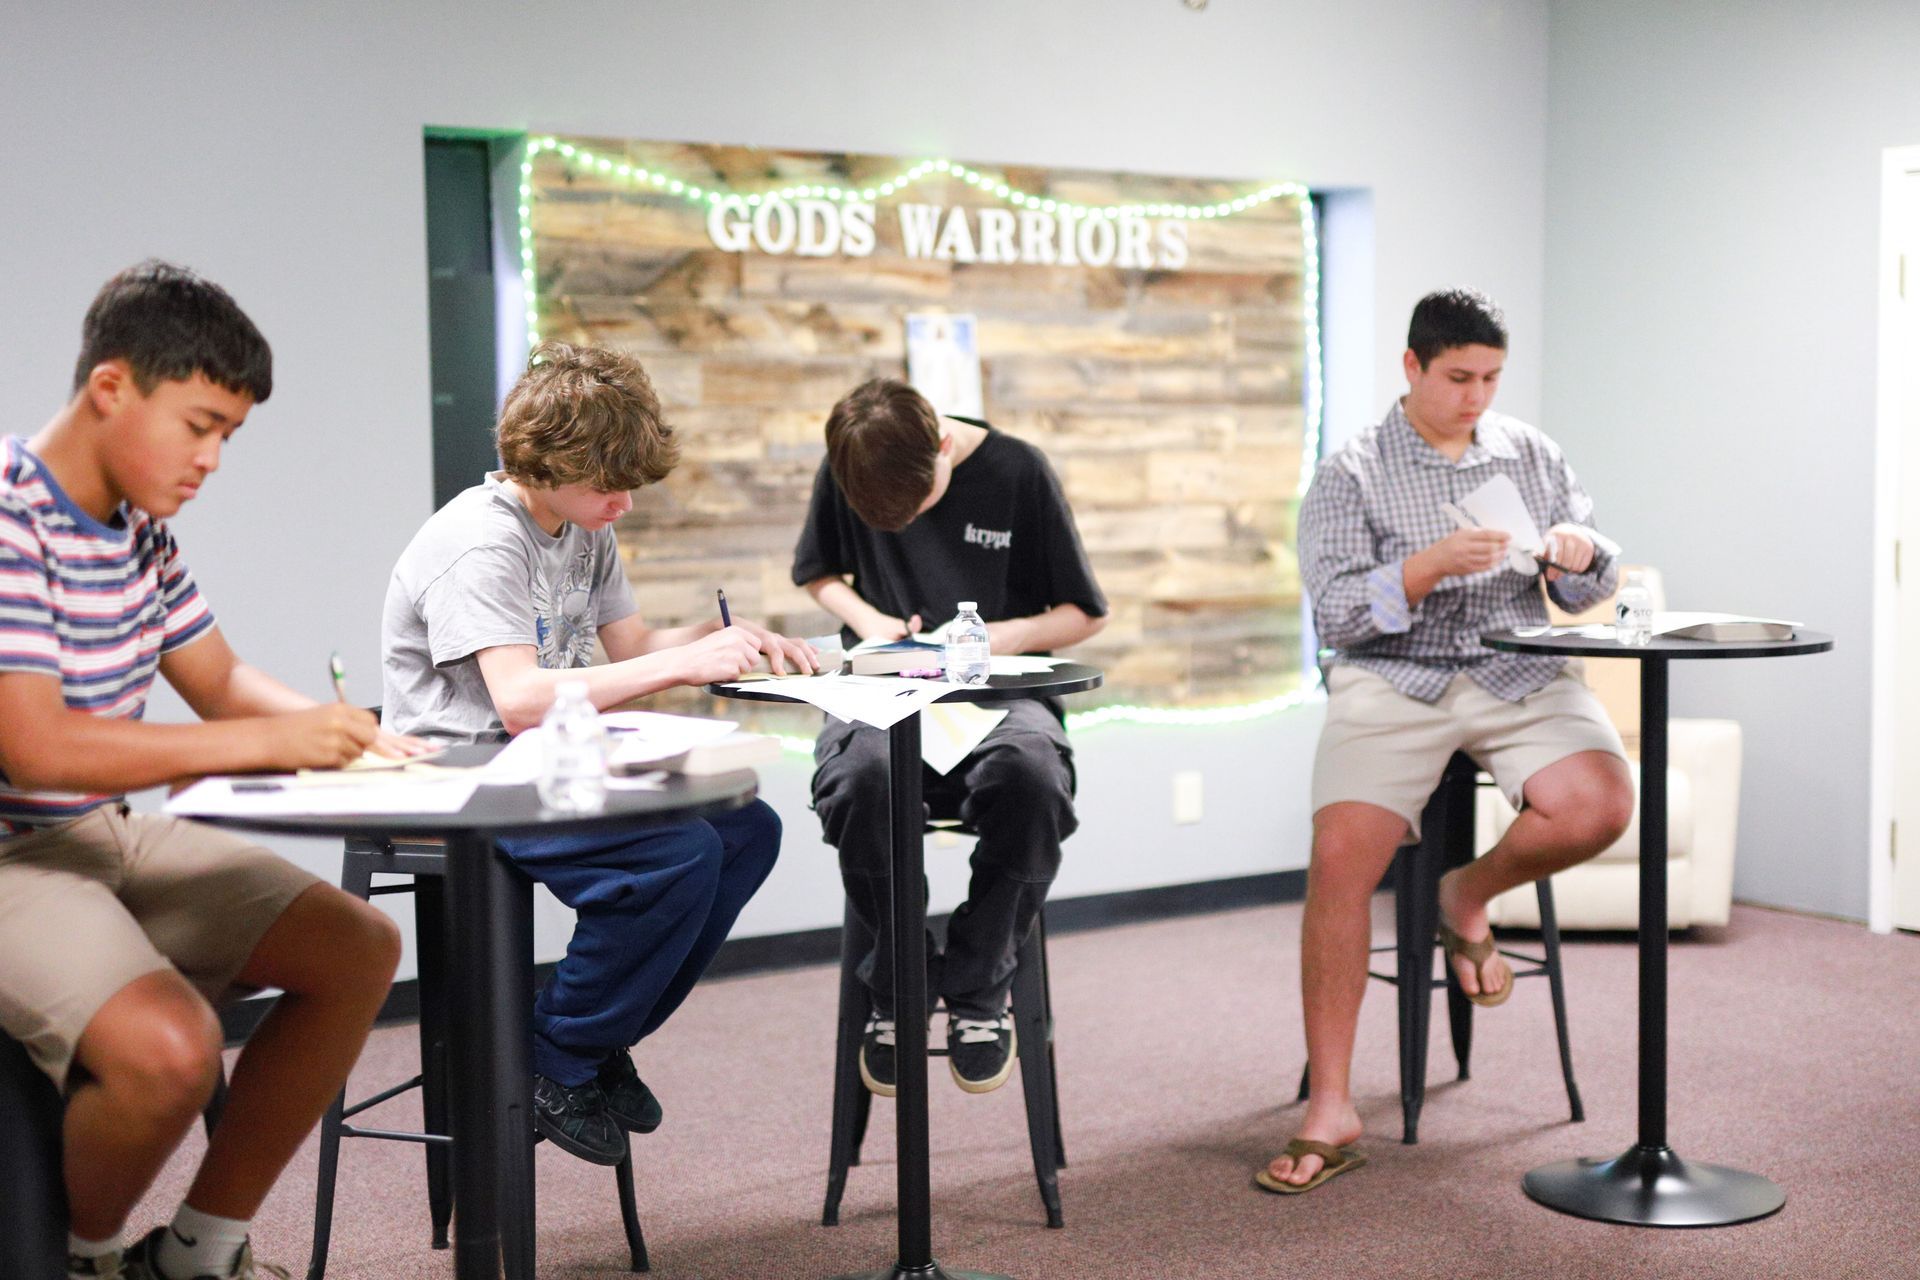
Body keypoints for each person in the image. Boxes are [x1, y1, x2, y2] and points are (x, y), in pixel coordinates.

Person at [0, 261, 415, 1280]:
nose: (212, 460)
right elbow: (37, 747)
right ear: (112, 387)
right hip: (12, 855)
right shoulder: (9, 514)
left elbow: (221, 680)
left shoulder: (140, 532)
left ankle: (197, 1251)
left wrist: (350, 732)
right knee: (171, 1049)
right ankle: (85, 1261)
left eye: (229, 435)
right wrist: (270, 742)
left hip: (98, 832)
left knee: (357, 946)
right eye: (200, 426)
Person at [381, 341, 814, 1165]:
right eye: (607, 485)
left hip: (545, 766)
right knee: (678, 854)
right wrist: (681, 665)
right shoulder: (480, 542)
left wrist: (723, 637)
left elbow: (633, 647)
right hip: (464, 778)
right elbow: (518, 699)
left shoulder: (584, 525)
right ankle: (556, 1051)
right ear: (544, 463)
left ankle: (589, 1040)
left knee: (747, 830)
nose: (623, 502)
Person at [1262, 288, 1637, 1194]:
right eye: (1459, 377)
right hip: (1394, 676)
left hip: (1516, 668)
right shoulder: (1351, 472)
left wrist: (1581, 555)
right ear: (1413, 366)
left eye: (1491, 378)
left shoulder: (1530, 453)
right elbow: (1338, 616)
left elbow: (1592, 590)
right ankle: (1332, 1108)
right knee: (1339, 859)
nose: (1477, 397)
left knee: (1602, 804)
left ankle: (1465, 893)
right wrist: (1424, 568)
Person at [793, 378, 1107, 1096]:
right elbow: (818, 571)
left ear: (940, 445)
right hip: (883, 688)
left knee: (1031, 778)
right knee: (859, 781)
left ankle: (978, 982)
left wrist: (997, 637)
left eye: (919, 507)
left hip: (1001, 694)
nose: (906, 527)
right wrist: (873, 625)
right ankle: (900, 983)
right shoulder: (851, 461)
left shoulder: (1018, 471)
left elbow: (1085, 612)